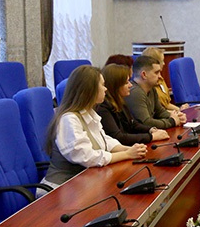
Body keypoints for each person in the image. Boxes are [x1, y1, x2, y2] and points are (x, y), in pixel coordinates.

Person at [39, 66, 147, 194]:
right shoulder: (68, 120)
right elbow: (88, 157)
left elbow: (104, 140)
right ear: (90, 90)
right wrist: (127, 154)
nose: (106, 89)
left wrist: (127, 149)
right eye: (102, 85)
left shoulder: (88, 112)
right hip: (59, 190)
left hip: (82, 184)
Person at [97, 64, 170, 145]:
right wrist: (151, 137)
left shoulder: (120, 100)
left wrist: (151, 130)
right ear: (116, 86)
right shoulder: (103, 107)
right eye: (126, 83)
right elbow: (118, 137)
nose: (130, 85)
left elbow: (132, 124)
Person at [126, 55, 186, 129]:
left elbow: (160, 112)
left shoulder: (152, 89)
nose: (160, 76)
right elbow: (146, 123)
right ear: (144, 75)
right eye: (156, 73)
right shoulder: (135, 92)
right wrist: (172, 121)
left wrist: (177, 116)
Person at [141, 46, 188, 112]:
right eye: (162, 61)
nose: (164, 63)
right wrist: (176, 113)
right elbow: (157, 112)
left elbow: (166, 104)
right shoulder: (149, 85)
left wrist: (180, 110)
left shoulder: (161, 80)